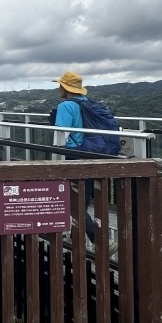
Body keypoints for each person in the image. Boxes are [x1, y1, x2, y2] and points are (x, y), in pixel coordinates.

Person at [51, 72, 117, 256]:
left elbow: (61, 134)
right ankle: (75, 236)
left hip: (72, 155)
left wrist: (55, 159)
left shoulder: (65, 106)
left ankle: (101, 241)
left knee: (72, 202)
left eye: (60, 85)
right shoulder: (87, 103)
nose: (59, 88)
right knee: (83, 198)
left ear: (65, 88)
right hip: (90, 153)